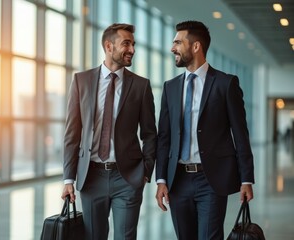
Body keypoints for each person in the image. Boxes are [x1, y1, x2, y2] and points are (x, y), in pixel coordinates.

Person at [155, 20, 255, 240]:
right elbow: (164, 137)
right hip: (177, 180)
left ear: (196, 46)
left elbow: (240, 134)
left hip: (211, 180)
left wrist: (246, 179)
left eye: (178, 42)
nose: (173, 48)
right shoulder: (170, 87)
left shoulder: (225, 84)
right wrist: (161, 179)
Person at [61, 23, 157, 240]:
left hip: (128, 178)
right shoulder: (81, 81)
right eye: (126, 43)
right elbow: (72, 133)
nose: (132, 49)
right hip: (91, 177)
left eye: (133, 44)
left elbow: (150, 133)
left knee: (125, 237)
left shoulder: (141, 86)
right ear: (108, 46)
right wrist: (68, 179)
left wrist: (145, 171)